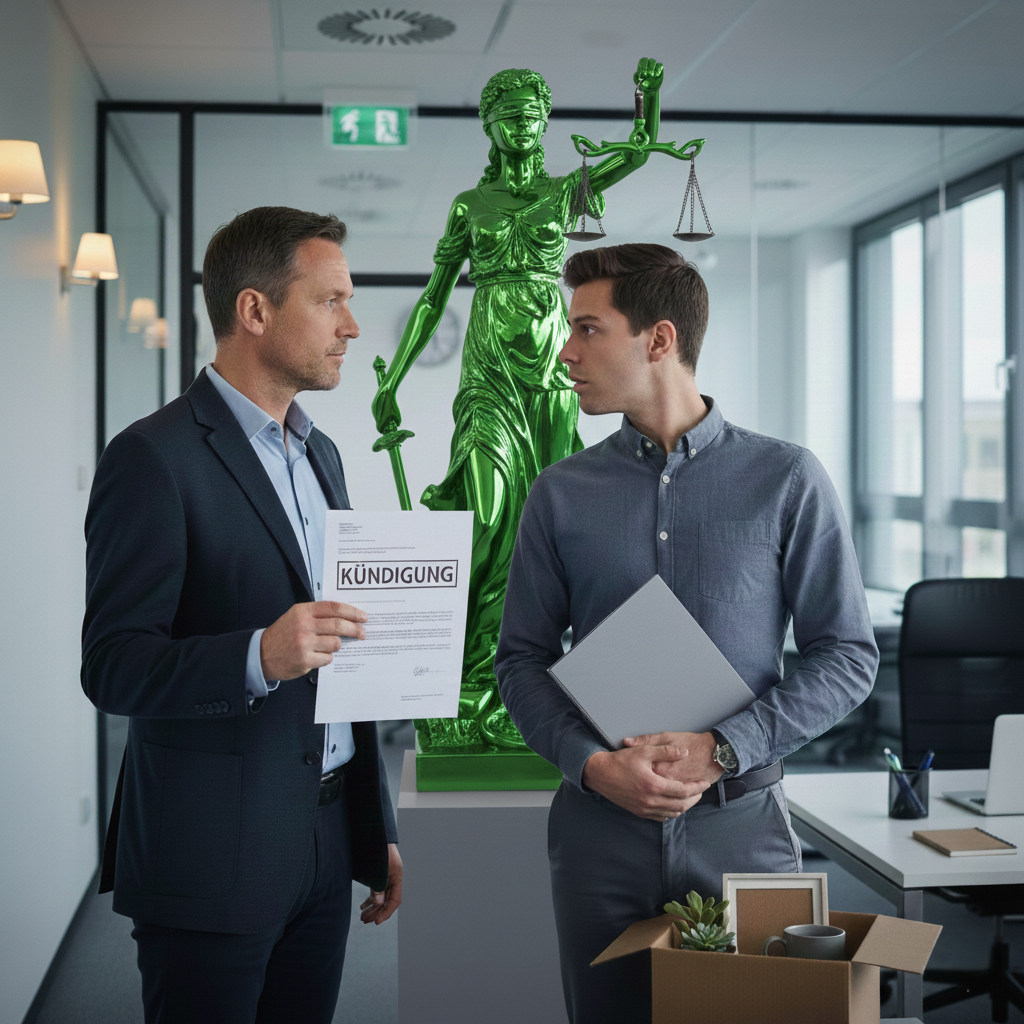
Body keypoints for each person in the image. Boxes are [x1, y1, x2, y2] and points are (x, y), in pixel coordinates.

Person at [494, 243, 878, 1024]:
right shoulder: (559, 494)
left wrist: (723, 747)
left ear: (659, 339)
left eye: (588, 329)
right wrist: (591, 765)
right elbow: (521, 661)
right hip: (598, 835)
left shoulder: (787, 479)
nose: (566, 351)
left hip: (744, 830)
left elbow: (847, 656)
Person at [82, 207, 401, 1024]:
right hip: (210, 851)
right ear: (255, 310)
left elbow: (344, 657)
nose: (351, 326)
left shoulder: (322, 453)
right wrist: (257, 655)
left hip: (326, 842)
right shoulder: (152, 457)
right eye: (330, 301)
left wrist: (376, 828)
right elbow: (113, 665)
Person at [371, 60, 665, 753]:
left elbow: (638, 150)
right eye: (508, 116)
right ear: (490, 126)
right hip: (488, 374)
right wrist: (392, 382)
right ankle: (475, 675)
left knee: (550, 523)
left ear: (544, 121)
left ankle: (535, 684)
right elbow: (434, 298)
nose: (522, 126)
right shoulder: (469, 205)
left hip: (550, 377)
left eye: (532, 115)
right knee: (486, 515)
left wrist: (646, 99)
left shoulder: (565, 192)